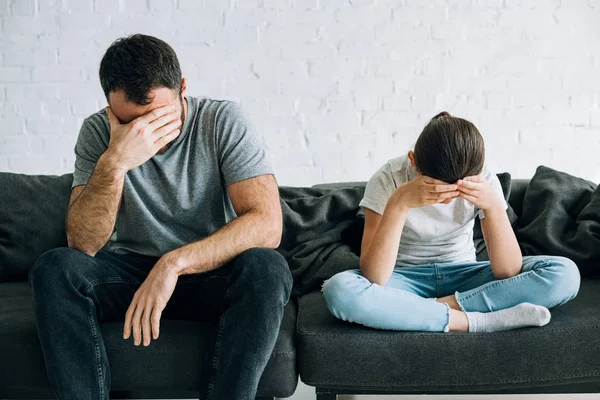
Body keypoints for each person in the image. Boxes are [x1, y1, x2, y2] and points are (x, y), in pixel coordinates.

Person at [28, 34, 292, 400]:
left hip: (208, 271)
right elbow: (82, 244)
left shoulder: (223, 121)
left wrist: (174, 263)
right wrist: (115, 161)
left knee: (268, 267)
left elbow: (267, 223)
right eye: (129, 122)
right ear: (109, 105)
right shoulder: (98, 132)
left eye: (156, 117)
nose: (145, 133)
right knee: (55, 268)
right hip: (127, 273)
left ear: (183, 88)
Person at [323, 111, 580, 333]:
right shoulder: (388, 178)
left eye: (457, 189)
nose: (445, 199)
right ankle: (478, 321)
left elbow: (506, 271)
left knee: (564, 274)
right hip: (402, 280)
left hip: (464, 273)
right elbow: (376, 277)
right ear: (413, 162)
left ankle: (428, 312)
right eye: (434, 186)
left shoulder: (483, 179)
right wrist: (399, 203)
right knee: (339, 290)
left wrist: (492, 207)